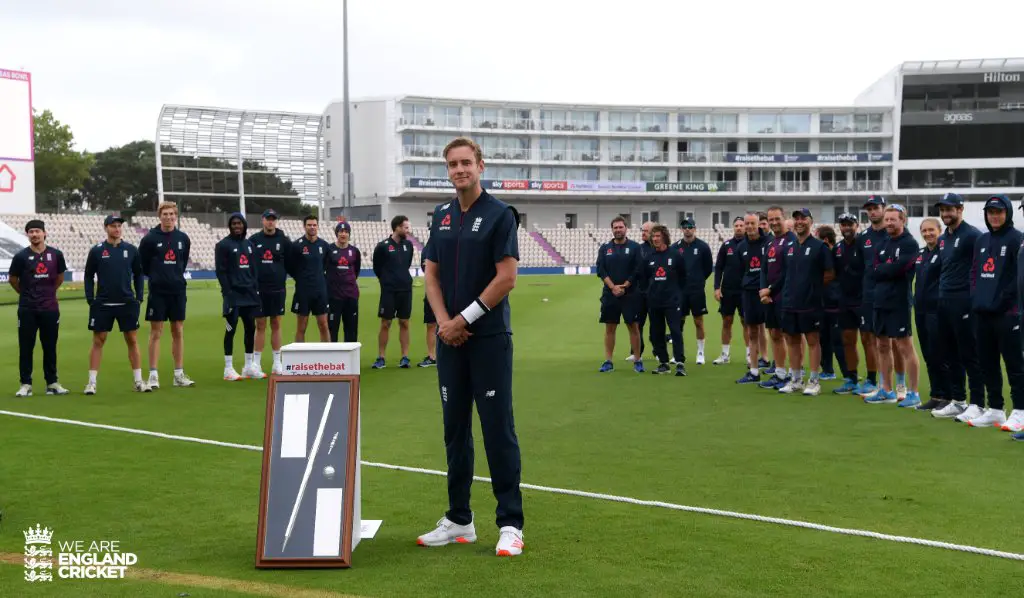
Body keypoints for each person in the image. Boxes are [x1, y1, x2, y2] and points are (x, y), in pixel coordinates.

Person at [417, 136, 524, 557]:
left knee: (498, 431)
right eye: (452, 164)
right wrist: (445, 323)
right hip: (450, 341)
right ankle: (460, 519)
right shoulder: (441, 216)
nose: (459, 170)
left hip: (488, 340)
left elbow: (506, 278)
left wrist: (464, 319)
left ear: (481, 165)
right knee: (454, 430)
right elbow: (431, 273)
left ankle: (511, 523)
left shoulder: (499, 215)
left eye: (466, 162)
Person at [959, 195, 1024, 429]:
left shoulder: (1017, 239)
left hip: (1007, 313)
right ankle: (995, 409)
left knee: (1014, 363)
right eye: (990, 212)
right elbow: (974, 271)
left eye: (999, 212)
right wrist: (976, 297)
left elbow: (1017, 278)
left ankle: (1020, 410)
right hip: (982, 312)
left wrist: (1000, 301)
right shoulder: (982, 240)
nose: (994, 216)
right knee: (987, 363)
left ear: (1007, 213)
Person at [931, 193, 986, 420]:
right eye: (943, 210)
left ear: (960, 209)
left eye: (950, 209)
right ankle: (958, 400)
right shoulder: (943, 238)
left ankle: (978, 403)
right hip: (944, 301)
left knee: (969, 354)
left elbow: (981, 269)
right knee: (950, 353)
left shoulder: (973, 235)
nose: (945, 214)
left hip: (964, 302)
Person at [83, 215, 148, 394]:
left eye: (119, 226)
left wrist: (139, 297)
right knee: (98, 340)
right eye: (113, 226)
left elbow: (138, 274)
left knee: (132, 340)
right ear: (106, 228)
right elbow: (88, 275)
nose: (117, 229)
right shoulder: (96, 251)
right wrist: (90, 298)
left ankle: (138, 381)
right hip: (103, 302)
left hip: (126, 302)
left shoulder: (131, 250)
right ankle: (92, 382)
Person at [864, 204, 921, 406]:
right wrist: (888, 269)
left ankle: (913, 393)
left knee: (904, 346)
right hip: (880, 300)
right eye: (886, 219)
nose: (888, 223)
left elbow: (901, 268)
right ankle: (885, 389)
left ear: (902, 220)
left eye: (892, 219)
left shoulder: (910, 244)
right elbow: (874, 270)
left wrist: (886, 269)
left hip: (898, 301)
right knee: (881, 345)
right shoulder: (882, 243)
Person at [774, 209, 833, 396]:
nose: (799, 222)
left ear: (810, 221)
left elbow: (830, 273)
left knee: (813, 341)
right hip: (790, 302)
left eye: (803, 219)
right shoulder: (789, 247)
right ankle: (796, 379)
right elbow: (785, 275)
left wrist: (812, 288)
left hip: (811, 303)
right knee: (792, 340)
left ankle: (814, 381)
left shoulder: (819, 247)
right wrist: (771, 290)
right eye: (796, 218)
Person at [9, 219, 70, 396]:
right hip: (27, 308)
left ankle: (52, 382)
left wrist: (48, 293)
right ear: (27, 235)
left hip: (50, 308)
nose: (34, 234)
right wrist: (25, 293)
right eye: (31, 232)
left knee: (50, 346)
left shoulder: (56, 255)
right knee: (26, 346)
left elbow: (59, 277)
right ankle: (25, 384)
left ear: (44, 233)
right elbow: (13, 280)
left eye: (37, 231)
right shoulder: (21, 256)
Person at [138, 201, 195, 390]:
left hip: (178, 290)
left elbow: (182, 261)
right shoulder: (149, 239)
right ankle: (153, 375)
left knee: (178, 330)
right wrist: (157, 277)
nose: (169, 217)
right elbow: (143, 265)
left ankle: (178, 374)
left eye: (172, 214)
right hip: (158, 291)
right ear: (159, 216)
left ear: (176, 216)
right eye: (165, 214)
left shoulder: (183, 238)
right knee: (156, 332)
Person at [856, 195, 907, 399]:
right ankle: (882, 384)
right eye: (869, 209)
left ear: (884, 209)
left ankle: (901, 384)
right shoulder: (863, 238)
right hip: (870, 295)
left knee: (896, 341)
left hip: (894, 296)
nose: (872, 212)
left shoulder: (894, 234)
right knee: (877, 341)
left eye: (875, 208)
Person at [216, 212, 262, 381]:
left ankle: (248, 366)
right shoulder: (223, 245)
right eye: (234, 223)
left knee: (251, 329)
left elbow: (254, 270)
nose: (237, 226)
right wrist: (227, 293)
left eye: (239, 223)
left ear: (244, 225)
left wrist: (255, 287)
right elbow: (221, 271)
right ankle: (228, 368)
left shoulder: (249, 245)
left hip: (250, 295)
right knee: (231, 329)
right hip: (233, 295)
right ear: (230, 226)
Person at [638, 224, 687, 376]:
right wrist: (649, 293)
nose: (655, 239)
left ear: (665, 237)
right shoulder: (649, 258)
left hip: (672, 301)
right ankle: (663, 363)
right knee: (656, 333)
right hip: (654, 302)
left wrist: (678, 295)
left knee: (675, 331)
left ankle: (679, 363)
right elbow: (644, 279)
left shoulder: (675, 255)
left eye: (658, 236)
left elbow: (683, 277)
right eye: (653, 236)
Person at [596, 216, 643, 373]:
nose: (618, 230)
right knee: (610, 328)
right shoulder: (605, 248)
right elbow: (601, 270)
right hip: (610, 294)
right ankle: (608, 361)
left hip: (630, 294)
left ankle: (637, 360)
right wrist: (613, 287)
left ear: (626, 228)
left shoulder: (635, 248)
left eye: (620, 227)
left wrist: (625, 285)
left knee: (633, 327)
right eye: (615, 227)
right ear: (612, 229)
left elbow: (638, 269)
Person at [913, 218, 949, 411]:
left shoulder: (945, 251)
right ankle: (936, 394)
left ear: (939, 230)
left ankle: (949, 395)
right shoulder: (921, 254)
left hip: (937, 310)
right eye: (924, 231)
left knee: (940, 353)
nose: (928, 234)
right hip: (920, 310)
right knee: (928, 353)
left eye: (931, 230)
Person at [250, 209, 291, 375]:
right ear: (262, 220)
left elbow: (291, 262)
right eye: (268, 219)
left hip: (278, 288)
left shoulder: (284, 240)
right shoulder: (254, 240)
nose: (270, 222)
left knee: (276, 323)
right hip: (259, 289)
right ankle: (256, 363)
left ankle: (277, 362)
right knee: (260, 325)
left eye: (273, 219)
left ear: (276, 221)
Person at [371, 215, 415, 369]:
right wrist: (386, 281)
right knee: (386, 323)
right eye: (405, 227)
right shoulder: (382, 246)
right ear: (397, 227)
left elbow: (407, 264)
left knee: (404, 322)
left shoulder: (408, 246)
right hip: (389, 290)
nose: (408, 230)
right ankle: (381, 357)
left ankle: (405, 357)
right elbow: (377, 267)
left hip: (405, 289)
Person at [758, 206, 794, 389]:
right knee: (774, 334)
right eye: (770, 220)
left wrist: (770, 290)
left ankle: (796, 373)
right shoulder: (770, 243)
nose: (773, 223)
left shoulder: (792, 240)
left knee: (790, 335)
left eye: (776, 219)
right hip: (769, 296)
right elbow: (764, 269)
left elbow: (788, 271)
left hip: (785, 295)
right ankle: (779, 373)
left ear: (784, 217)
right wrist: (763, 290)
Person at [831, 213, 865, 394]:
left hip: (863, 300)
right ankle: (852, 378)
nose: (846, 228)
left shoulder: (864, 245)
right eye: (843, 225)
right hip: (844, 301)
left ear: (856, 225)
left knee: (869, 341)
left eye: (850, 224)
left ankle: (873, 379)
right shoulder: (837, 248)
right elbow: (832, 274)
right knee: (848, 341)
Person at [672, 219, 713, 364]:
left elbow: (708, 268)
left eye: (690, 227)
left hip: (696, 290)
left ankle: (700, 352)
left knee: (698, 321)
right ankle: (678, 353)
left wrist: (698, 280)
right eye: (685, 227)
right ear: (681, 229)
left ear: (695, 229)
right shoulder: (675, 247)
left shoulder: (703, 247)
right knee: (678, 322)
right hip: (680, 291)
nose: (687, 229)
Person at [735, 212, 768, 384]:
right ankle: (754, 371)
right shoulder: (741, 247)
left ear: (759, 225)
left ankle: (781, 370)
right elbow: (741, 271)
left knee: (777, 332)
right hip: (749, 293)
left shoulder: (768, 243)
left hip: (767, 293)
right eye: (746, 223)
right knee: (752, 331)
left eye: (752, 223)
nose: (749, 227)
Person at [289, 215, 332, 343]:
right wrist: (302, 278)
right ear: (304, 226)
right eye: (309, 225)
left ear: (317, 226)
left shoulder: (324, 245)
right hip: (303, 291)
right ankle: (299, 359)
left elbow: (326, 265)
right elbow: (291, 267)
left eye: (314, 225)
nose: (312, 227)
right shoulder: (297, 246)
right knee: (301, 327)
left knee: (323, 325)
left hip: (320, 291)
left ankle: (327, 357)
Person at [713, 217, 747, 366]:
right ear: (733, 227)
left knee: (746, 322)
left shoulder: (749, 245)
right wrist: (716, 287)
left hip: (745, 290)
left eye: (741, 225)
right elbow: (719, 267)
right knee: (727, 321)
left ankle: (749, 355)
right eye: (736, 225)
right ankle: (725, 355)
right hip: (728, 290)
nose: (739, 228)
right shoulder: (727, 245)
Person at [815, 225, 845, 381]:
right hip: (824, 301)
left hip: (834, 301)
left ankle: (848, 374)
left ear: (825, 239)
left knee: (837, 339)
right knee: (823, 337)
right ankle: (827, 369)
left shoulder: (833, 254)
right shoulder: (831, 253)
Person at [327, 220, 362, 343]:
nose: (343, 234)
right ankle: (332, 359)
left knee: (351, 330)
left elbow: (356, 271)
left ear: (349, 234)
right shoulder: (329, 250)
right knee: (332, 329)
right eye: (341, 231)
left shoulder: (355, 251)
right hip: (333, 297)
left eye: (346, 231)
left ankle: (350, 359)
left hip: (351, 296)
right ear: (337, 233)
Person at [626, 221, 655, 363]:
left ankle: (658, 351)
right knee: (637, 323)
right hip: (639, 292)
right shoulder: (638, 248)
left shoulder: (660, 249)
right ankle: (636, 352)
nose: (643, 233)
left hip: (655, 292)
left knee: (656, 323)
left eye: (646, 231)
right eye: (642, 230)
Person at [417, 249, 438, 367]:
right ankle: (431, 356)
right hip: (433, 291)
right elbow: (427, 269)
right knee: (431, 324)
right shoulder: (428, 250)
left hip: (451, 290)